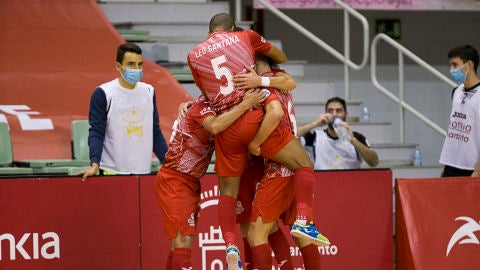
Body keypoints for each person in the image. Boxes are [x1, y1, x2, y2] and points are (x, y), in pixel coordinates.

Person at [187, 13, 329, 269]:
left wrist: (255, 143)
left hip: (259, 151)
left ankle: (230, 244)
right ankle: (305, 220)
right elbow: (287, 78)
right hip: (275, 153)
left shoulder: (262, 84)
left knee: (254, 230)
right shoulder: (277, 79)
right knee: (284, 228)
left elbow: (208, 95)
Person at [155, 90, 266, 269]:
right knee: (183, 240)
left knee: (180, 241)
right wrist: (246, 104)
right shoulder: (202, 107)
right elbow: (214, 127)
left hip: (189, 180)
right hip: (175, 178)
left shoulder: (217, 109)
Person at [78, 43, 168, 181]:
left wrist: (168, 163)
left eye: (140, 64)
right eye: (131, 64)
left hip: (143, 170)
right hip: (112, 171)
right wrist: (95, 164)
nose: (137, 69)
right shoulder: (104, 93)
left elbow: (154, 131)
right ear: (118, 67)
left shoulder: (149, 91)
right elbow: (96, 131)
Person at [297, 96, 379, 170]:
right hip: (323, 183)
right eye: (330, 111)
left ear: (346, 115)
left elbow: (374, 162)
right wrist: (314, 124)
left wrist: (351, 139)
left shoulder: (356, 137)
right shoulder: (315, 136)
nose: (334, 114)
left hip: (350, 183)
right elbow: (289, 137)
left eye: (338, 111)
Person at [440, 45, 480, 177]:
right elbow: (453, 130)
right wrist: (445, 165)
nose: (451, 70)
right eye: (450, 65)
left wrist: (478, 170)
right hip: (451, 165)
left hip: (471, 167)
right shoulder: (456, 91)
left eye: (455, 65)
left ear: (469, 64)